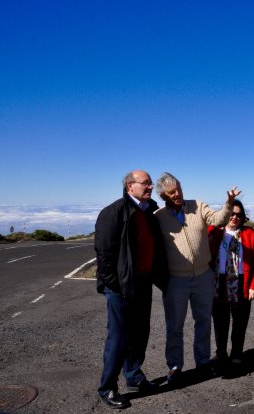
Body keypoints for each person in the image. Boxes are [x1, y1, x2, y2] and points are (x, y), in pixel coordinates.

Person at [153, 172, 240, 386]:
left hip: (203, 276)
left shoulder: (197, 205)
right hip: (176, 280)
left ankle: (202, 362)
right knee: (175, 326)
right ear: (163, 196)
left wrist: (229, 203)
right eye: (171, 192)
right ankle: (175, 366)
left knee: (203, 322)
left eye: (179, 189)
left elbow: (218, 220)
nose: (177, 194)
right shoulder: (158, 217)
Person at [95, 170, 168, 409]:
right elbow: (104, 253)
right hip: (121, 287)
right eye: (145, 183)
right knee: (119, 337)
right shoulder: (114, 212)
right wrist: (113, 284)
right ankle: (107, 387)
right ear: (130, 186)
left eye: (151, 184)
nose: (150, 187)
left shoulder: (148, 211)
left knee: (139, 334)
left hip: (143, 283)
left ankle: (134, 376)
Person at [208, 200, 254, 367]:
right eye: (231, 213)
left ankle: (237, 352)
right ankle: (221, 353)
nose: (234, 217)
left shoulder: (250, 234)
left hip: (241, 282)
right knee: (220, 321)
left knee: (240, 321)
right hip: (218, 282)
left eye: (239, 215)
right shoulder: (214, 231)